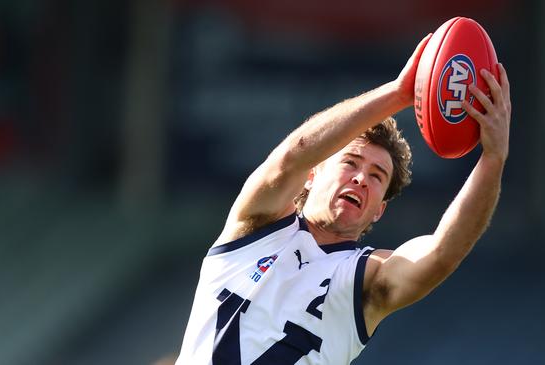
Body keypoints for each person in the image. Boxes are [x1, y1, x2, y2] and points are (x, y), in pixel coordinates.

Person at [176, 33, 511, 364]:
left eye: (377, 176)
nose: (362, 178)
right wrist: (398, 93)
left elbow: (442, 253)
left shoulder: (367, 280)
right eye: (350, 162)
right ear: (313, 174)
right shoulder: (254, 228)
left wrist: (493, 159)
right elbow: (293, 156)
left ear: (380, 210)